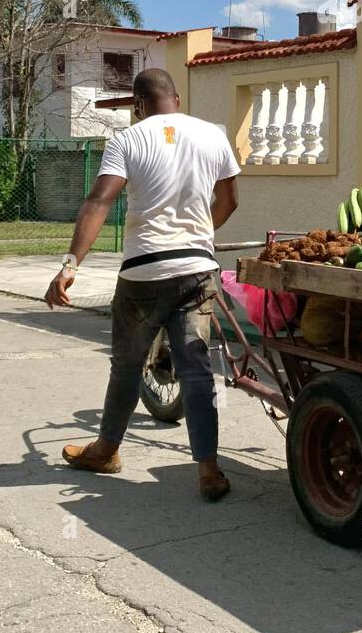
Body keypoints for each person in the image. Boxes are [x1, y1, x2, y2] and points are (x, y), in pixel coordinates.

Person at [45, 68, 240, 501]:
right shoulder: (213, 136)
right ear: (177, 97)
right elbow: (228, 201)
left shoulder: (128, 140)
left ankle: (107, 450)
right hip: (196, 269)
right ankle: (209, 470)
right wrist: (201, 236)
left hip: (143, 273)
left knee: (127, 366)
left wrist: (70, 263)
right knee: (197, 372)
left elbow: (100, 200)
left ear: (137, 106)